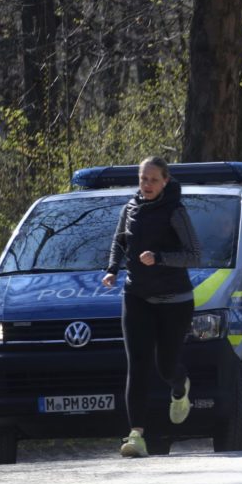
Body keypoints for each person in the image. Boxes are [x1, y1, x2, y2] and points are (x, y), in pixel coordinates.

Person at [102, 156, 201, 458]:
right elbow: (119, 241)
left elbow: (194, 255)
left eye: (153, 180)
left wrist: (159, 257)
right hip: (137, 296)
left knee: (166, 366)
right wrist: (112, 269)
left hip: (174, 300)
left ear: (165, 181)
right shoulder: (130, 208)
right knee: (138, 364)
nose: (146, 185)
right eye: (143, 179)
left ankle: (180, 386)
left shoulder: (175, 211)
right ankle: (136, 435)